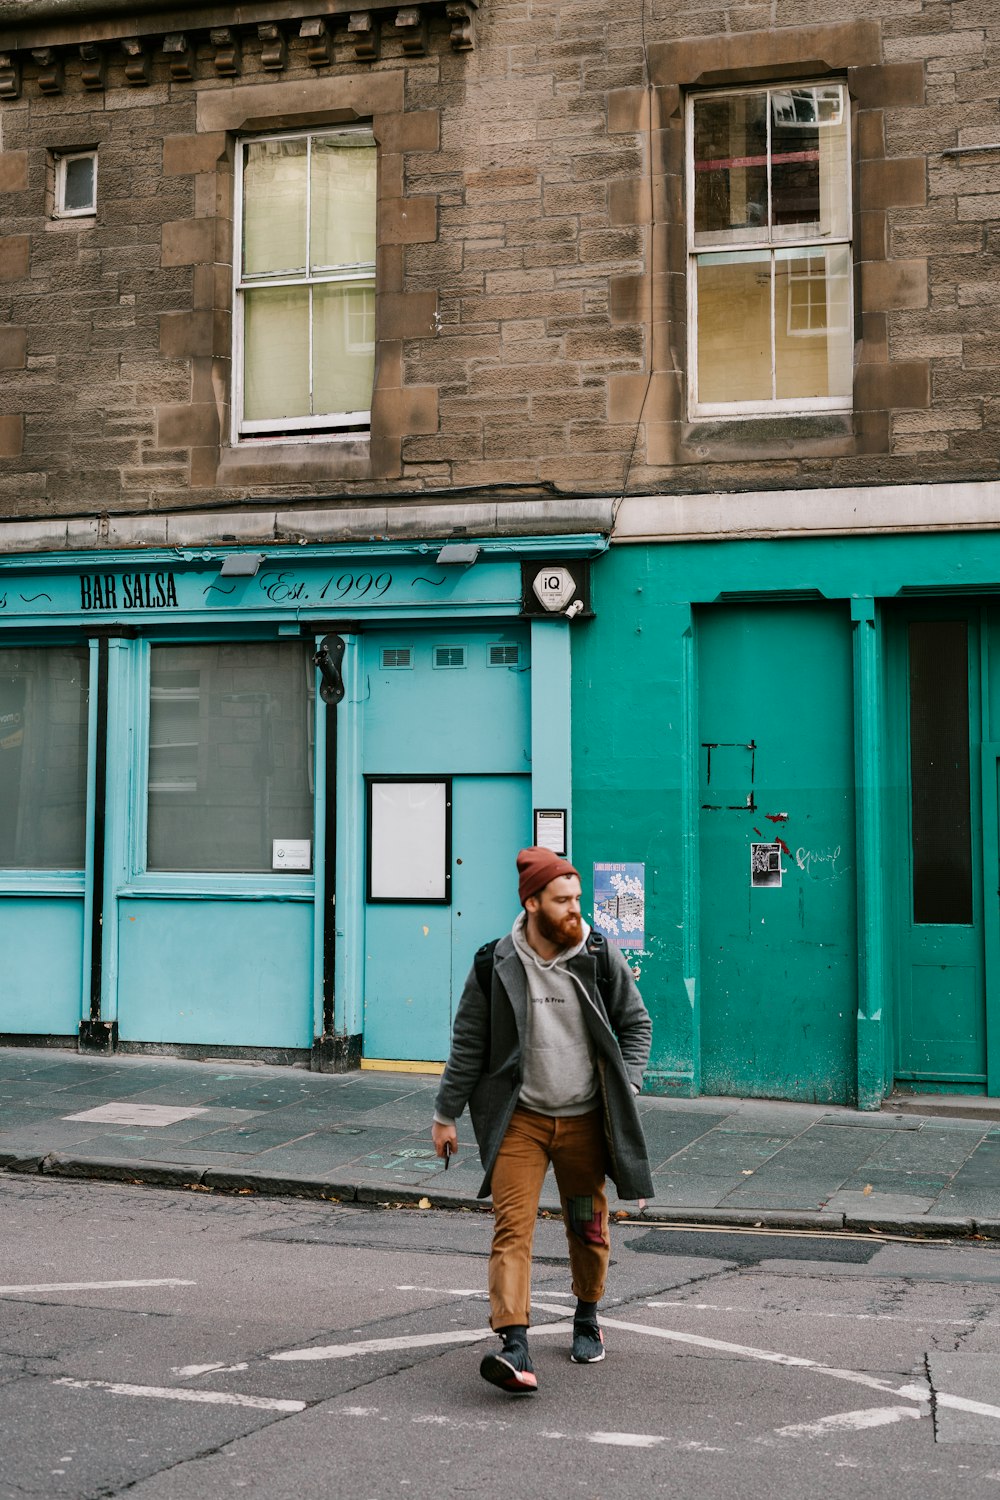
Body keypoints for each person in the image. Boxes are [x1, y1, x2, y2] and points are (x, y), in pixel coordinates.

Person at [431, 846, 653, 1395]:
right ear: (532, 903)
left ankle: (586, 1314)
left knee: (586, 1224)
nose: (577, 909)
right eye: (563, 900)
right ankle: (514, 1343)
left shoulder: (599, 954)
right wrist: (445, 1113)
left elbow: (636, 1023)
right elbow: (469, 1044)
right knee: (512, 1229)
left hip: (583, 1123)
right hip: (521, 1123)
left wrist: (625, 1086)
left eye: (578, 898)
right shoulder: (494, 963)